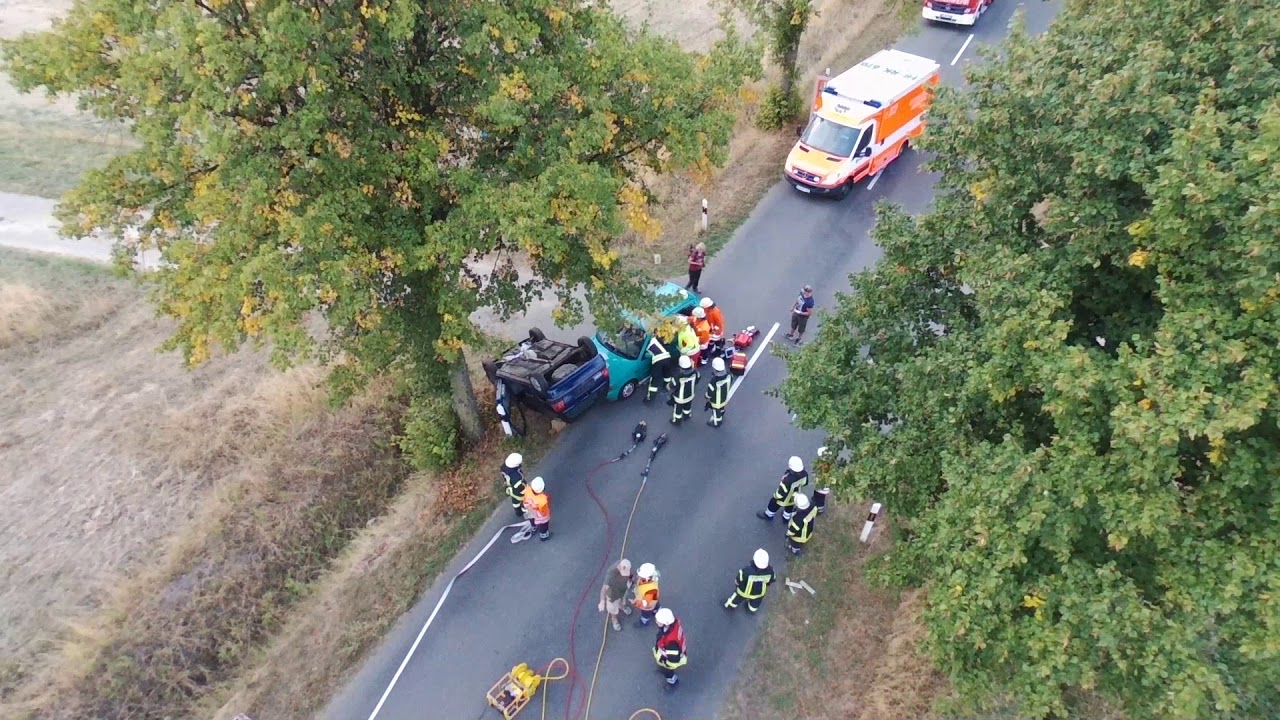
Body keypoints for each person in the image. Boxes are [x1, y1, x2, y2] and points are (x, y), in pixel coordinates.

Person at [756, 456, 808, 522]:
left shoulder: (787, 480)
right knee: (789, 507)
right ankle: (786, 518)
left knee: (773, 504)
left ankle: (768, 515)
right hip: (794, 496)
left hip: (784, 498)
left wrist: (776, 496)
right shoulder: (805, 474)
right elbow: (805, 483)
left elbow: (781, 492)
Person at [724, 548, 776, 613]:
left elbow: (739, 579)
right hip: (758, 594)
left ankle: (730, 605)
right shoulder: (770, 572)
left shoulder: (747, 571)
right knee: (755, 604)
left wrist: (737, 584)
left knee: (736, 599)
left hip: (743, 592)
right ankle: (751, 609)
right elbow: (772, 579)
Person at [652, 607, 688, 691]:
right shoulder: (673, 625)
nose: (656, 621)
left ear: (665, 623)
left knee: (668, 672)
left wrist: (666, 664)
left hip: (670, 661)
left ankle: (672, 682)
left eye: (658, 621)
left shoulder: (672, 643)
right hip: (667, 654)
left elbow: (673, 659)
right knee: (664, 668)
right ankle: (663, 669)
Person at [598, 558, 634, 631]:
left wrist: (631, 581)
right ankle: (614, 618)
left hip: (622, 589)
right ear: (619, 568)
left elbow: (630, 575)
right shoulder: (610, 574)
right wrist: (602, 602)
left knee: (622, 600)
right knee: (612, 608)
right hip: (613, 593)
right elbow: (603, 589)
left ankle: (622, 606)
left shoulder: (626, 563)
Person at [643, 328, 677, 403]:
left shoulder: (646, 342)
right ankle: (666, 386)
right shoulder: (656, 340)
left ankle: (650, 398)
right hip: (667, 358)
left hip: (658, 361)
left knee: (654, 379)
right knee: (667, 374)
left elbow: (643, 351)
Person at [632, 562, 661, 627]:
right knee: (656, 605)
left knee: (645, 615)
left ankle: (644, 622)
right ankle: (657, 611)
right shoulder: (650, 578)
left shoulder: (652, 590)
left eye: (641, 576)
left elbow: (645, 603)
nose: (639, 576)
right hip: (653, 600)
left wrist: (636, 602)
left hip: (648, 606)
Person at [522, 476, 551, 541]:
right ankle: (543, 535)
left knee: (532, 518)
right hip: (539, 514)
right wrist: (545, 515)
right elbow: (543, 511)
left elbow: (524, 499)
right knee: (543, 524)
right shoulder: (543, 499)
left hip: (529, 509)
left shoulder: (528, 489)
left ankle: (533, 527)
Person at [704, 357, 731, 427]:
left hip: (716, 400)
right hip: (725, 396)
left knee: (716, 410)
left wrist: (706, 396)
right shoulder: (728, 375)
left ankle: (717, 422)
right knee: (722, 406)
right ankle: (722, 412)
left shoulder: (714, 381)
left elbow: (709, 393)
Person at [671, 355, 698, 425]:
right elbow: (698, 379)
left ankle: (677, 420)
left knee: (678, 409)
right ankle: (687, 416)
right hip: (690, 394)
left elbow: (673, 385)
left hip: (680, 397)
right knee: (688, 406)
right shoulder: (695, 372)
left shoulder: (678, 375)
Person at [501, 453, 526, 519]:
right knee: (523, 500)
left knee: (515, 501)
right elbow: (519, 487)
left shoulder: (504, 467)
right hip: (518, 491)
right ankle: (524, 510)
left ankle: (518, 512)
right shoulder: (516, 477)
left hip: (509, 488)